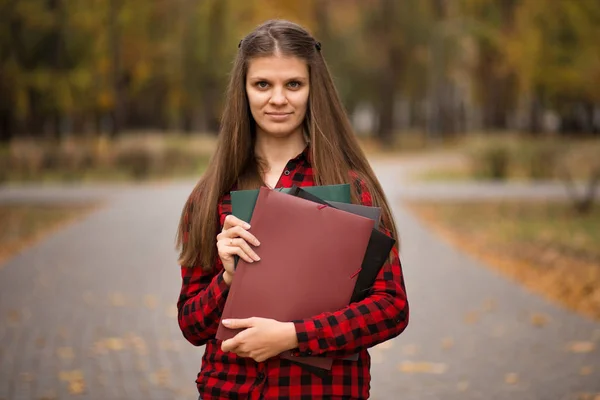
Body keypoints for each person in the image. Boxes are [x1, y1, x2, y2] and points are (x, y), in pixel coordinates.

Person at [175, 19, 409, 400]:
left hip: (321, 393)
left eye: (294, 84)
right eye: (263, 84)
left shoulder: (352, 189)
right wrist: (227, 281)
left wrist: (294, 336)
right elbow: (191, 325)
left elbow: (391, 307)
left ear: (313, 90)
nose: (278, 99)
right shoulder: (210, 196)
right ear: (244, 91)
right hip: (229, 390)